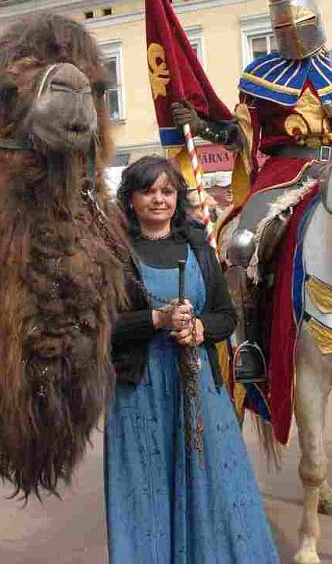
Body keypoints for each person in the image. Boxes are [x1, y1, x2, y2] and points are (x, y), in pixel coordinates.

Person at [106, 156, 278, 563]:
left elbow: (224, 315)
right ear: (130, 199)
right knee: (147, 487)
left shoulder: (198, 244)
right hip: (139, 390)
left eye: (167, 191)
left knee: (213, 484)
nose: (159, 199)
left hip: (198, 386)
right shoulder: (114, 254)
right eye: (149, 191)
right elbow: (101, 326)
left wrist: (200, 329)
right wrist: (155, 320)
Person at [171, 0, 332, 384]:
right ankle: (249, 344)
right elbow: (242, 134)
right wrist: (200, 126)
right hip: (284, 172)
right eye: (284, 31)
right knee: (242, 242)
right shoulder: (260, 76)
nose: (295, 37)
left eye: (301, 26)